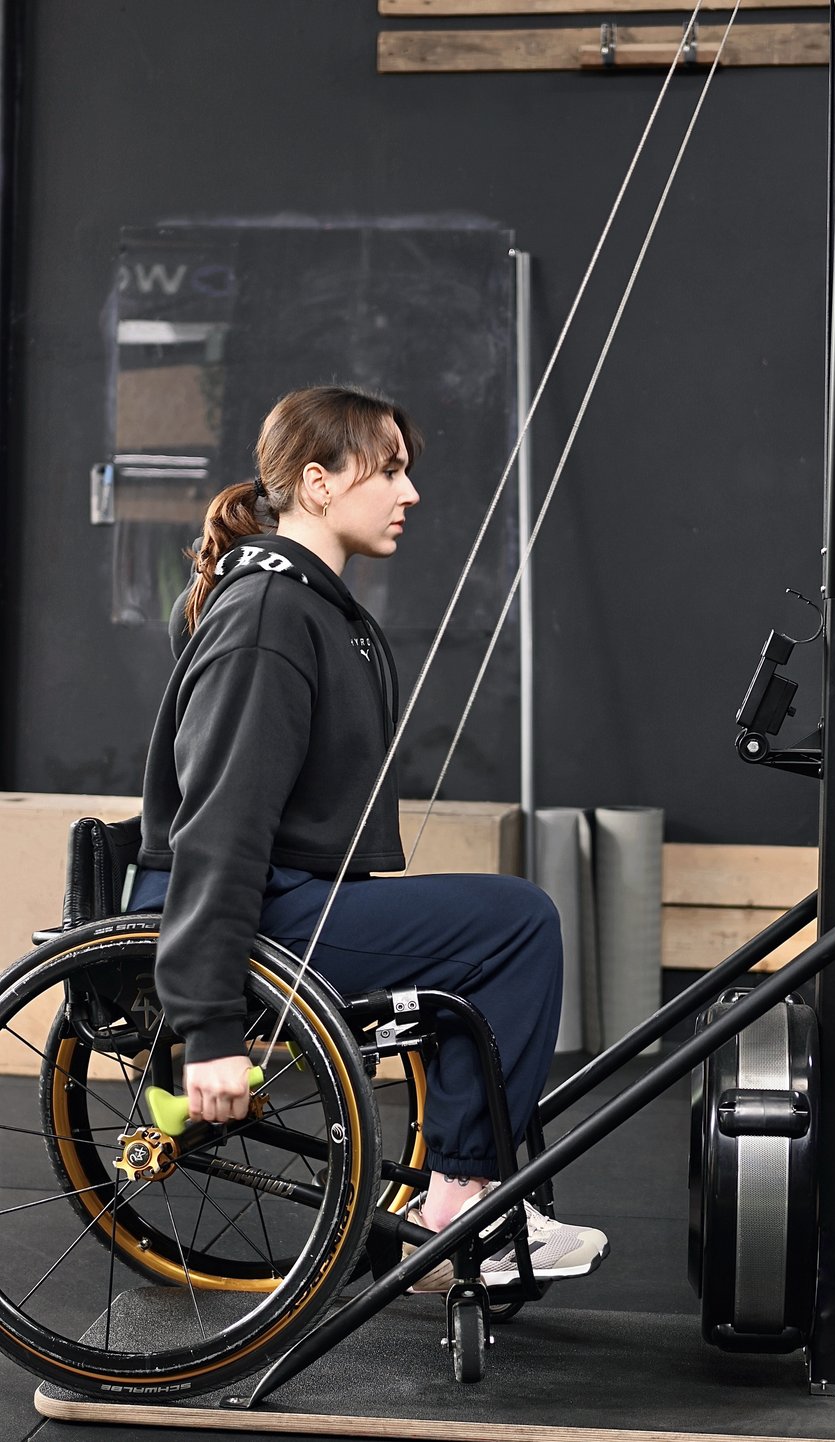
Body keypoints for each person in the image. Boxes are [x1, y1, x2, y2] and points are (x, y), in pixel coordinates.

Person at [128, 384, 608, 1290]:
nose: (409, 492)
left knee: (487, 929)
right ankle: (462, 1206)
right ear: (317, 483)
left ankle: (463, 1191)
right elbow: (220, 826)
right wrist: (208, 1029)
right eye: (388, 470)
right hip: (255, 910)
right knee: (514, 924)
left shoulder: (311, 606)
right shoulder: (272, 615)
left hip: (288, 897)